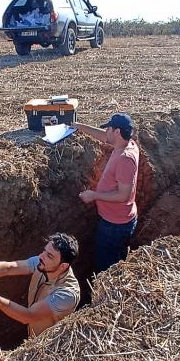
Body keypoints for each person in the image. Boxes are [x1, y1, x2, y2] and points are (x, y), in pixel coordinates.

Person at [0, 233, 81, 338]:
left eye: (49, 256)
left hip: (48, 347)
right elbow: (8, 268)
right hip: (33, 335)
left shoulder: (67, 294)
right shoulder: (43, 264)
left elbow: (28, 316)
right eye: (44, 251)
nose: (41, 256)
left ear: (63, 266)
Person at [73, 113, 140, 272]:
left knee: (105, 265)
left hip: (115, 224)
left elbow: (124, 195)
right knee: (117, 257)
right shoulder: (127, 143)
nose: (106, 132)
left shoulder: (125, 159)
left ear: (117, 132)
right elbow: (104, 136)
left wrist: (94, 195)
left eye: (109, 129)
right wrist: (78, 126)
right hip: (118, 219)